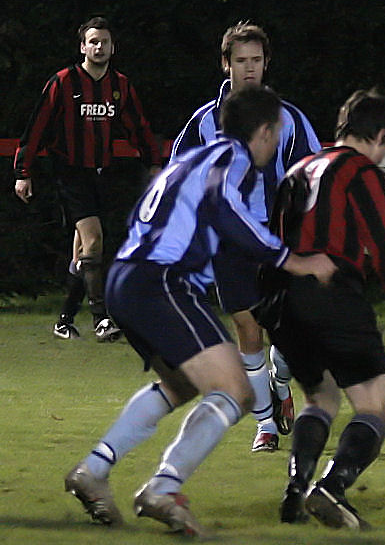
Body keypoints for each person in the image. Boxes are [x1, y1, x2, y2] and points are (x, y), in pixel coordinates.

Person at [63, 84, 336, 537]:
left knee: (180, 383)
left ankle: (94, 469)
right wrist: (293, 260)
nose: (275, 145)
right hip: (161, 282)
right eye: (276, 134)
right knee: (237, 391)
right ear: (264, 131)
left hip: (127, 278)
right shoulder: (231, 159)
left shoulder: (192, 157)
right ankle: (164, 489)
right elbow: (225, 210)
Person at [270, 89, 385, 530]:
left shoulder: (299, 168)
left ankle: (296, 487)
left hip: (283, 301)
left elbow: (271, 238)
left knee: (322, 397)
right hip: (333, 296)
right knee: (377, 409)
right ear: (380, 135)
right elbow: (383, 243)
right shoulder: (360, 170)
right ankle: (331, 487)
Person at [172, 21, 320, 452]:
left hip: (278, 241)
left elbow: (313, 171)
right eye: (241, 61)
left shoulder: (287, 118)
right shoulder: (204, 121)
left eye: (256, 60)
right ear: (226, 65)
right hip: (229, 244)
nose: (249, 68)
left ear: (266, 64)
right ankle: (266, 425)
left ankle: (281, 377)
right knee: (246, 327)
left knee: (289, 333)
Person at [14, 16, 162, 342]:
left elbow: (138, 127)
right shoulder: (63, 82)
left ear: (113, 47)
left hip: (101, 173)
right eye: (93, 41)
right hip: (69, 172)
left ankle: (64, 320)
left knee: (84, 251)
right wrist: (23, 172)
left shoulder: (120, 86)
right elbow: (36, 128)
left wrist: (154, 164)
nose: (99, 47)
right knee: (94, 239)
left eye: (104, 42)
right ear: (83, 47)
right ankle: (102, 318)